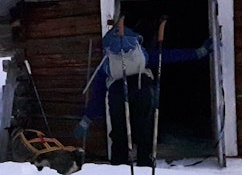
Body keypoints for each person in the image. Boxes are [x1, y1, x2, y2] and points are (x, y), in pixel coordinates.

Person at [73, 19, 211, 166]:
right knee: (145, 129)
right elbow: (167, 56)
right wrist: (198, 52)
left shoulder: (107, 63)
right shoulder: (142, 55)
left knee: (120, 132)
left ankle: (119, 168)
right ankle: (146, 163)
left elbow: (98, 95)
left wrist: (87, 119)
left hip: (117, 93)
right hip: (142, 88)